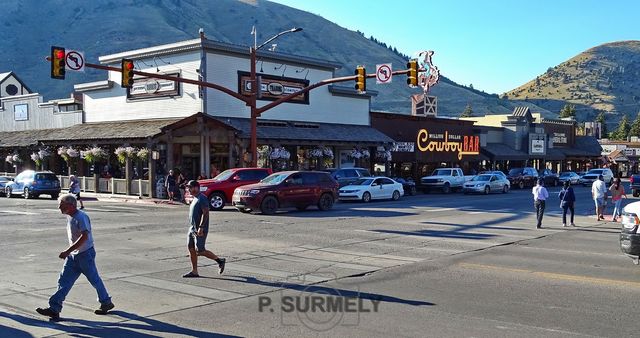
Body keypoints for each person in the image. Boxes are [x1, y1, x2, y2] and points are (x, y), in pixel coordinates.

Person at [36, 194, 114, 321]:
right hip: (74, 256)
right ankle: (54, 309)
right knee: (63, 281)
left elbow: (84, 237)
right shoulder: (70, 216)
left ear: (71, 205)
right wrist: (70, 252)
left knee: (94, 280)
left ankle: (106, 302)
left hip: (85, 255)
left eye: (61, 204)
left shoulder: (81, 217)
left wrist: (67, 251)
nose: (59, 207)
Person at [182, 180, 226, 278]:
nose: (188, 189)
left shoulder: (202, 198)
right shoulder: (194, 198)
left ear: (196, 187)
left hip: (200, 230)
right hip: (192, 229)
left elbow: (205, 213)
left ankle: (220, 261)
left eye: (190, 187)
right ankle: (194, 271)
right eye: (188, 187)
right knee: (191, 249)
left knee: (200, 251)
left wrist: (201, 227)